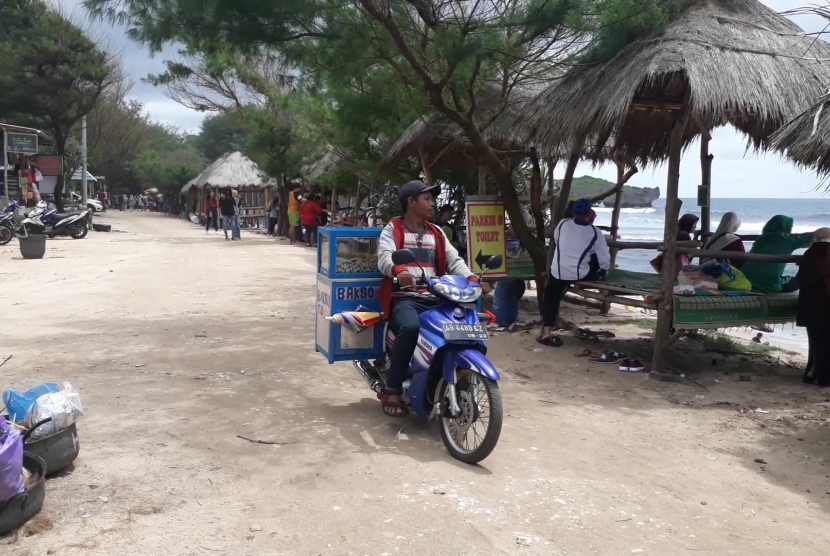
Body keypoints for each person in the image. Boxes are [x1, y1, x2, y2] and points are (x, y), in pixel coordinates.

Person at [377, 180, 488, 417]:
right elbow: (385, 257)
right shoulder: (393, 229)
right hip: (405, 298)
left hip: (438, 297)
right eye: (427, 199)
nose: (432, 203)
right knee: (410, 327)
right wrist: (400, 272)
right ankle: (392, 388)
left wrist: (471, 278)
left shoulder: (436, 232)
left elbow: (454, 260)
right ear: (411, 201)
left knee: (464, 329)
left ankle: (454, 378)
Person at [538, 198, 610, 347]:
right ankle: (599, 276)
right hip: (579, 274)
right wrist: (603, 269)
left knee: (551, 298)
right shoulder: (594, 232)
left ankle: (546, 332)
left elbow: (557, 240)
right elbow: (604, 259)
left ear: (573, 212)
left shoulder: (563, 224)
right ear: (590, 214)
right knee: (595, 256)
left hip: (558, 272)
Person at [742, 215, 828, 293]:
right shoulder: (786, 240)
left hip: (746, 279)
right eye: (790, 227)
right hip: (768, 285)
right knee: (797, 282)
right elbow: (821, 232)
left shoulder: (762, 238)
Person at [797, 229, 830, 386]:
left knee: (816, 340)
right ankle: (824, 377)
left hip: (809, 303)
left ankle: (811, 373)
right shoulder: (827, 252)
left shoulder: (808, 254)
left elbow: (801, 278)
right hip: (826, 301)